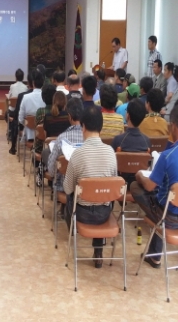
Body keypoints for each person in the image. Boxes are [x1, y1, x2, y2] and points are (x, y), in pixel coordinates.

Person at [131, 105, 178, 268]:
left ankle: (155, 254)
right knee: (164, 195)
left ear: (172, 126)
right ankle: (154, 256)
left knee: (137, 187)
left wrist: (139, 176)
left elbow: (149, 186)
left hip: (168, 217)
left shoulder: (167, 156)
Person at [63, 106, 118, 268]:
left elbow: (67, 189)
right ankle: (98, 252)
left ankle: (72, 231)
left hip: (82, 214)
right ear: (101, 127)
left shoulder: (77, 154)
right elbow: (113, 183)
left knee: (70, 195)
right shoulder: (111, 152)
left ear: (83, 127)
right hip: (104, 213)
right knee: (103, 194)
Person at [112, 99, 151, 187]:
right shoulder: (147, 141)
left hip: (120, 184)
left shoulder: (118, 140)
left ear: (128, 115)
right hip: (139, 184)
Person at [48, 98, 84, 193]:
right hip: (85, 187)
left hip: (64, 187)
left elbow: (51, 171)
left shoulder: (61, 138)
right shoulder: (88, 138)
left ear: (69, 116)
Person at [9, 71, 34, 155]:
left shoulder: (22, 95)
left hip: (24, 122)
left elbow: (18, 112)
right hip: (36, 125)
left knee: (14, 120)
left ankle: (13, 147)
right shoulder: (42, 95)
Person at [18, 70, 45, 142]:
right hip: (44, 134)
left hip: (29, 135)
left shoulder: (26, 97)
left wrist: (29, 124)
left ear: (33, 83)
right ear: (43, 82)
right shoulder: (46, 97)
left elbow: (20, 119)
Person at [34, 84, 57, 157]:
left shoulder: (40, 112)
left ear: (42, 97)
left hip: (39, 148)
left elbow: (37, 128)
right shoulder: (60, 113)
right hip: (57, 147)